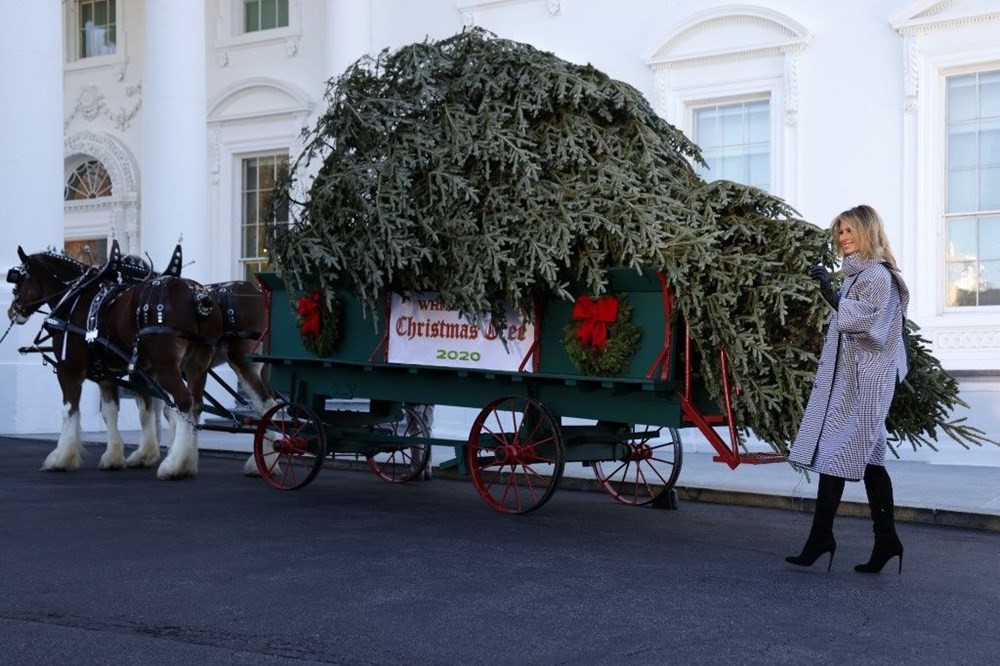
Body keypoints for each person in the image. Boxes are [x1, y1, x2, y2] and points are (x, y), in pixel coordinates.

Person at [785, 205, 909, 574]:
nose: (842, 239)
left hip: (865, 383)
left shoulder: (877, 276)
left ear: (868, 231)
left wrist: (832, 296)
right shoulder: (857, 274)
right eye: (839, 232)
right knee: (871, 463)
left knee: (836, 452)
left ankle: (822, 538)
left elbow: (870, 325)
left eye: (850, 231)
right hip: (855, 379)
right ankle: (885, 540)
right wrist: (836, 294)